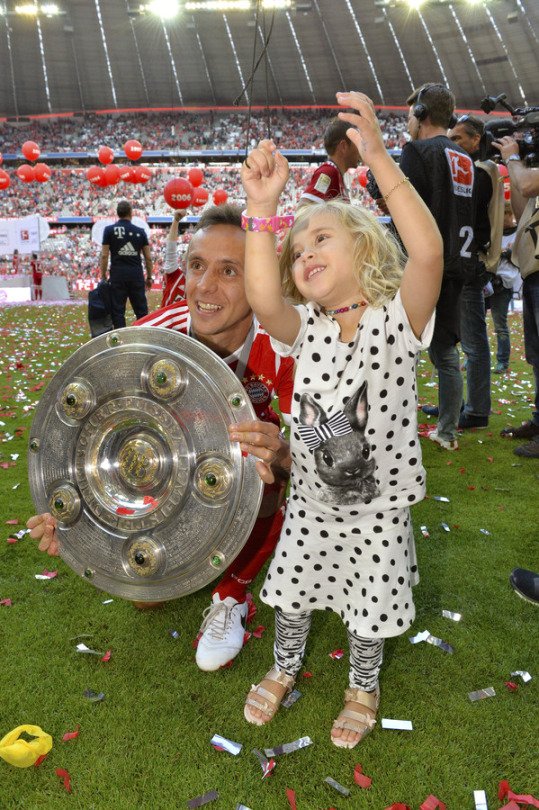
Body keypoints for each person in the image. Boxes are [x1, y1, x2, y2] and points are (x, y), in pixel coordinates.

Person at [239, 91, 443, 750]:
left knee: (368, 609)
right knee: (292, 596)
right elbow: (262, 295)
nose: (304, 254)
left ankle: (362, 686)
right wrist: (263, 209)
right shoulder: (306, 328)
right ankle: (283, 667)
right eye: (297, 251)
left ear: (366, 247)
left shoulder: (398, 320)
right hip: (310, 502)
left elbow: (428, 254)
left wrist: (378, 157)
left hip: (378, 509)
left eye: (321, 238)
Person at [28, 204, 294, 672]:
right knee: (145, 594)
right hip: (169, 466)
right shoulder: (148, 339)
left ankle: (232, 595)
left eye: (229, 271)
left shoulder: (283, 344)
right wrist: (68, 519)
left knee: (268, 467)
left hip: (238, 467)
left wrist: (283, 455)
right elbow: (84, 435)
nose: (204, 286)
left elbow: (326, 455)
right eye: (196, 266)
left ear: (259, 279)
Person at [401, 83, 477, 450]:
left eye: (411, 114)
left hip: (423, 265)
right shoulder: (463, 156)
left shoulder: (417, 151)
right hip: (458, 263)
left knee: (403, 349)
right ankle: (447, 431)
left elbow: (407, 209)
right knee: (445, 353)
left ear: (421, 114)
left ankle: (399, 429)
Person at [448, 114, 504, 429]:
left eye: (458, 138)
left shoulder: (480, 171)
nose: (453, 145)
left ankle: (477, 410)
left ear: (476, 140)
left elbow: (463, 212)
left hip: (472, 264)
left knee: (473, 343)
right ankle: (457, 404)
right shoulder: (478, 170)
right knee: (461, 340)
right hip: (467, 262)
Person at [494, 136, 539, 458]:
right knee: (537, 357)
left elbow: (525, 185)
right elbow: (524, 209)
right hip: (533, 270)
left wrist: (513, 158)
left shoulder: (528, 175)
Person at [100, 200, 153, 329]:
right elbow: (148, 258)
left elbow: (104, 255)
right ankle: (143, 337)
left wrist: (103, 275)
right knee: (141, 312)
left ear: (118, 213)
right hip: (136, 275)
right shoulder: (140, 231)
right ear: (131, 213)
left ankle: (121, 339)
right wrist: (149, 277)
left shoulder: (109, 230)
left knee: (118, 312)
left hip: (117, 275)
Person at [485, 201, 521, 373]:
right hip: (487, 281)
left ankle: (502, 361)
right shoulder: (494, 232)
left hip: (503, 284)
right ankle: (474, 359)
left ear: (509, 214)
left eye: (504, 215)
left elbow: (519, 258)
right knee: (476, 323)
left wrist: (507, 253)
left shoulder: (518, 234)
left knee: (500, 325)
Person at [299, 118, 360, 205]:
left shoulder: (336, 174)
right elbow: (303, 208)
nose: (360, 150)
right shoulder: (328, 172)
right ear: (343, 146)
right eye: (357, 144)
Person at [161, 210, 187, 307]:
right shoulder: (175, 274)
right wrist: (176, 220)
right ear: (183, 263)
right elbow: (170, 250)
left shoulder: (197, 281)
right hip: (167, 316)